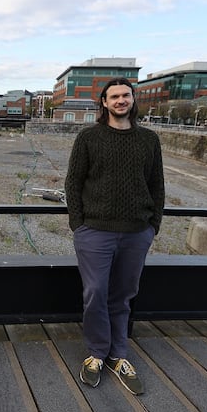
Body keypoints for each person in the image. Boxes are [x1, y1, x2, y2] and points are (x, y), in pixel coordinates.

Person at [64, 77, 165, 395]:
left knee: (122, 297)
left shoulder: (149, 140)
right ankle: (97, 353)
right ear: (104, 103)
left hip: (136, 233)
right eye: (114, 96)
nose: (121, 100)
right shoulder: (89, 137)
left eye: (126, 95)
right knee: (95, 294)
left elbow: (157, 185)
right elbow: (73, 182)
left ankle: (118, 355)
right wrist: (79, 225)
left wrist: (153, 226)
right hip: (95, 232)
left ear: (133, 100)